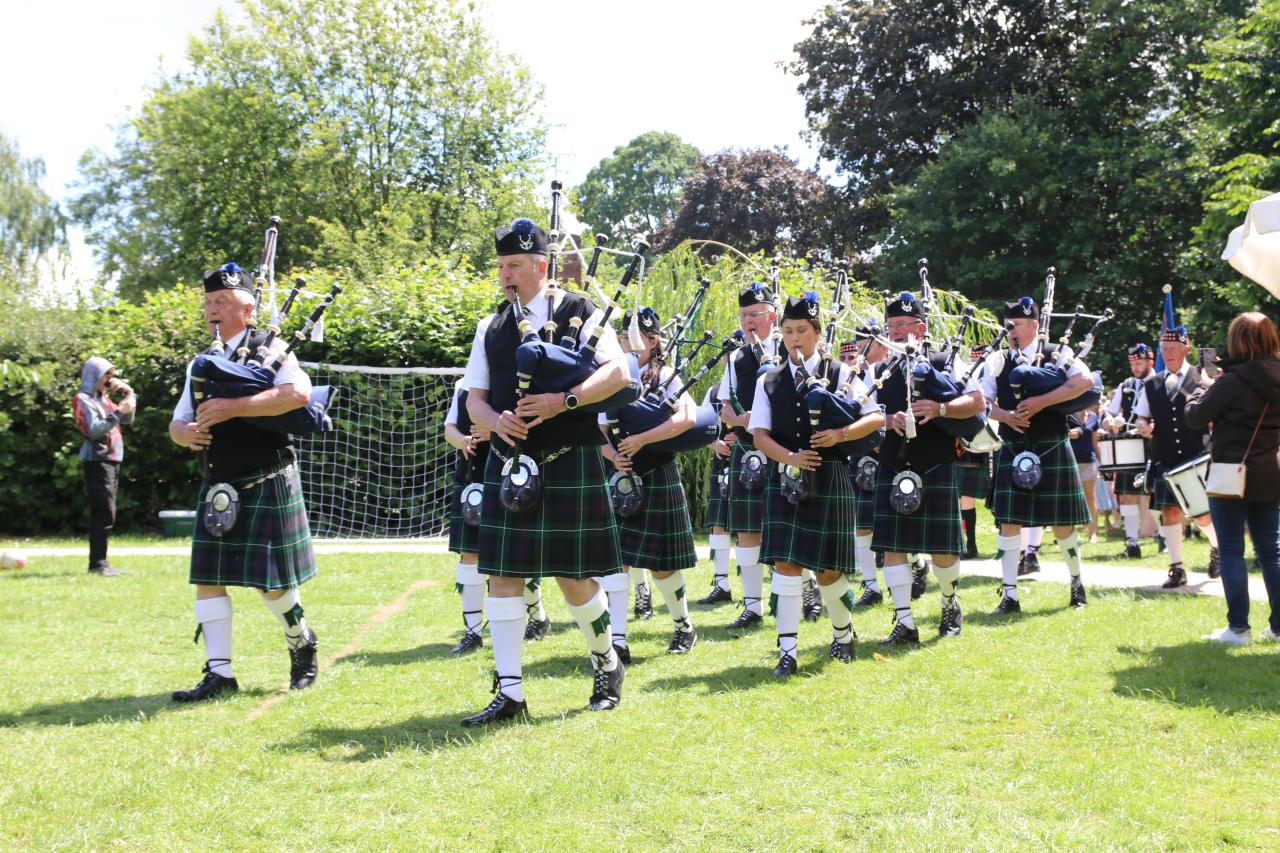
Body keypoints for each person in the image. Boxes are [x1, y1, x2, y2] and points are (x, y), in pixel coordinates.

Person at [461, 217, 633, 725]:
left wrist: (566, 400)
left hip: (568, 460)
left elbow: (620, 374)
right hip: (511, 463)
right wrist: (497, 422)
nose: (505, 276)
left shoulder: (583, 313)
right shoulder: (490, 327)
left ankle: (607, 663)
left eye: (514, 266)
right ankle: (510, 692)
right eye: (500, 267)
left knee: (573, 578)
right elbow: (473, 399)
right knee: (502, 577)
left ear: (540, 266)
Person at [168, 263, 320, 701]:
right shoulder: (201, 362)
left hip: (267, 477)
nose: (213, 310)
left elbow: (297, 395)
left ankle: (301, 641)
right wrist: (187, 435)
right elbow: (177, 422)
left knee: (272, 585)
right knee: (209, 580)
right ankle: (220, 674)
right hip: (220, 483)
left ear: (248, 310)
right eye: (209, 303)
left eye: (223, 303)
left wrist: (235, 407)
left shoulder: (271, 350)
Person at [748, 290, 884, 674]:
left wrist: (839, 436)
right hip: (787, 477)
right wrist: (790, 457)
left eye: (802, 330)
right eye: (788, 330)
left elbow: (875, 419)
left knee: (827, 571)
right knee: (786, 564)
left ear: (817, 333)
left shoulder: (841, 373)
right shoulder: (769, 380)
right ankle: (787, 653)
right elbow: (759, 435)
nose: (794, 337)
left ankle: (843, 635)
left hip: (831, 476)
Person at [867, 292, 986, 642]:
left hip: (935, 466)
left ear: (921, 327)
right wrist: (889, 421)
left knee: (943, 550)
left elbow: (977, 402)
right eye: (892, 327)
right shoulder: (877, 372)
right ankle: (904, 622)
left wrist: (941, 409)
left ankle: (949, 604)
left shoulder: (944, 362)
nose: (898, 332)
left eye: (904, 326)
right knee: (893, 549)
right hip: (892, 465)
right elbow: (862, 416)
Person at [973, 296, 1093, 613]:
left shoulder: (1057, 354)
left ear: (1035, 326)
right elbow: (982, 401)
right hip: (1013, 445)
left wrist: (1044, 401)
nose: (1011, 330)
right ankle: (1010, 594)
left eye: (1017, 325)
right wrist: (1005, 415)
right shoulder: (996, 359)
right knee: (1009, 522)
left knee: (1064, 523)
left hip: (1052, 443)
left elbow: (1086, 381)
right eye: (1008, 325)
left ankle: (1077, 584)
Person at [600, 307, 700, 658]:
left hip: (657, 472)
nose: (627, 342)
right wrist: (613, 456)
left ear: (653, 340)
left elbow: (688, 417)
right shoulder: (613, 376)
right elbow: (596, 428)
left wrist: (643, 439)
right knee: (616, 561)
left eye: (633, 337)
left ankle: (684, 626)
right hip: (620, 475)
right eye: (624, 336)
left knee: (662, 567)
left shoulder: (667, 376)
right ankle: (618, 641)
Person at [1185, 312, 1280, 644]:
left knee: (1230, 550)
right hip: (1270, 471)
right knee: (1271, 551)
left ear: (1238, 341)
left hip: (1230, 473)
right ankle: (1279, 626)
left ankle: (1238, 628)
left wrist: (1199, 389)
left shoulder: (1229, 381)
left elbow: (1197, 417)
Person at [1134, 325, 1220, 587]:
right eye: (1164, 349)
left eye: (1173, 348)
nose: (1168, 353)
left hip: (1198, 456)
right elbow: (1141, 417)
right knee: (1169, 512)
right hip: (1166, 457)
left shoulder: (1203, 379)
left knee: (1201, 514)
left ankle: (1218, 549)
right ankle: (1177, 569)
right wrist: (1142, 426)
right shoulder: (1151, 384)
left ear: (1186, 349)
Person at [716, 282, 780, 632]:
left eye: (754, 314)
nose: (748, 321)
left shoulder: (788, 349)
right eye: (743, 315)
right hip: (747, 450)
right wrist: (740, 418)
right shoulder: (737, 358)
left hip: (785, 449)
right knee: (746, 530)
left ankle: (805, 591)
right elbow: (723, 406)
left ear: (771, 315)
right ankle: (752, 606)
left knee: (787, 524)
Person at [73, 357, 136, 577]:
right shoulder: (83, 399)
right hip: (96, 460)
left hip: (111, 459)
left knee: (108, 512)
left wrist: (129, 395)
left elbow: (127, 420)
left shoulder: (104, 400)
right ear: (95, 376)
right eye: (106, 375)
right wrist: (119, 411)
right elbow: (95, 430)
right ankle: (97, 564)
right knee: (103, 512)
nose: (110, 380)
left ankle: (101, 562)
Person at [443, 378, 489, 655]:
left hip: (508, 477)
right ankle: (472, 632)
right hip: (469, 479)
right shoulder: (463, 385)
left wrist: (492, 431)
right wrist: (462, 440)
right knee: (469, 555)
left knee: (507, 561)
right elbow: (449, 428)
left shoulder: (512, 381)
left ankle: (535, 615)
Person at [1104, 344, 1157, 557]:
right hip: (1129, 445)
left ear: (1150, 362)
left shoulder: (1160, 382)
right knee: (1127, 494)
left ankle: (1162, 535)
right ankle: (1132, 543)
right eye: (1133, 363)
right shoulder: (1125, 385)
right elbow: (1110, 413)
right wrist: (1109, 420)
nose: (1135, 367)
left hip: (1155, 442)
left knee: (1155, 491)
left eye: (1139, 363)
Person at [697, 387, 737, 605]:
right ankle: (721, 585)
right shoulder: (712, 393)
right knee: (718, 524)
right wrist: (715, 443)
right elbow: (698, 427)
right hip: (722, 463)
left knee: (755, 527)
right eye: (725, 353)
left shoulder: (756, 383)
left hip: (753, 461)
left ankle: (758, 594)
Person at [1068, 405, 1101, 543]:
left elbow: (1095, 442)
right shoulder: (1068, 416)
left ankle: (1093, 533)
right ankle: (1069, 535)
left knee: (1090, 499)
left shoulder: (1093, 417)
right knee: (1070, 500)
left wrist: (1102, 463)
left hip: (1089, 462)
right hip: (1070, 462)